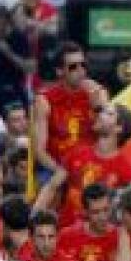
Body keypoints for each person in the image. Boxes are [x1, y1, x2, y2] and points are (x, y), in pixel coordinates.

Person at [31, 42, 101, 174]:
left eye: (83, 65)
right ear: (59, 71)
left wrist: (97, 106)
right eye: (73, 67)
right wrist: (62, 173)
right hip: (57, 168)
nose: (81, 71)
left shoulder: (97, 93)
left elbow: (108, 138)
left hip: (91, 168)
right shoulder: (44, 100)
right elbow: (39, 150)